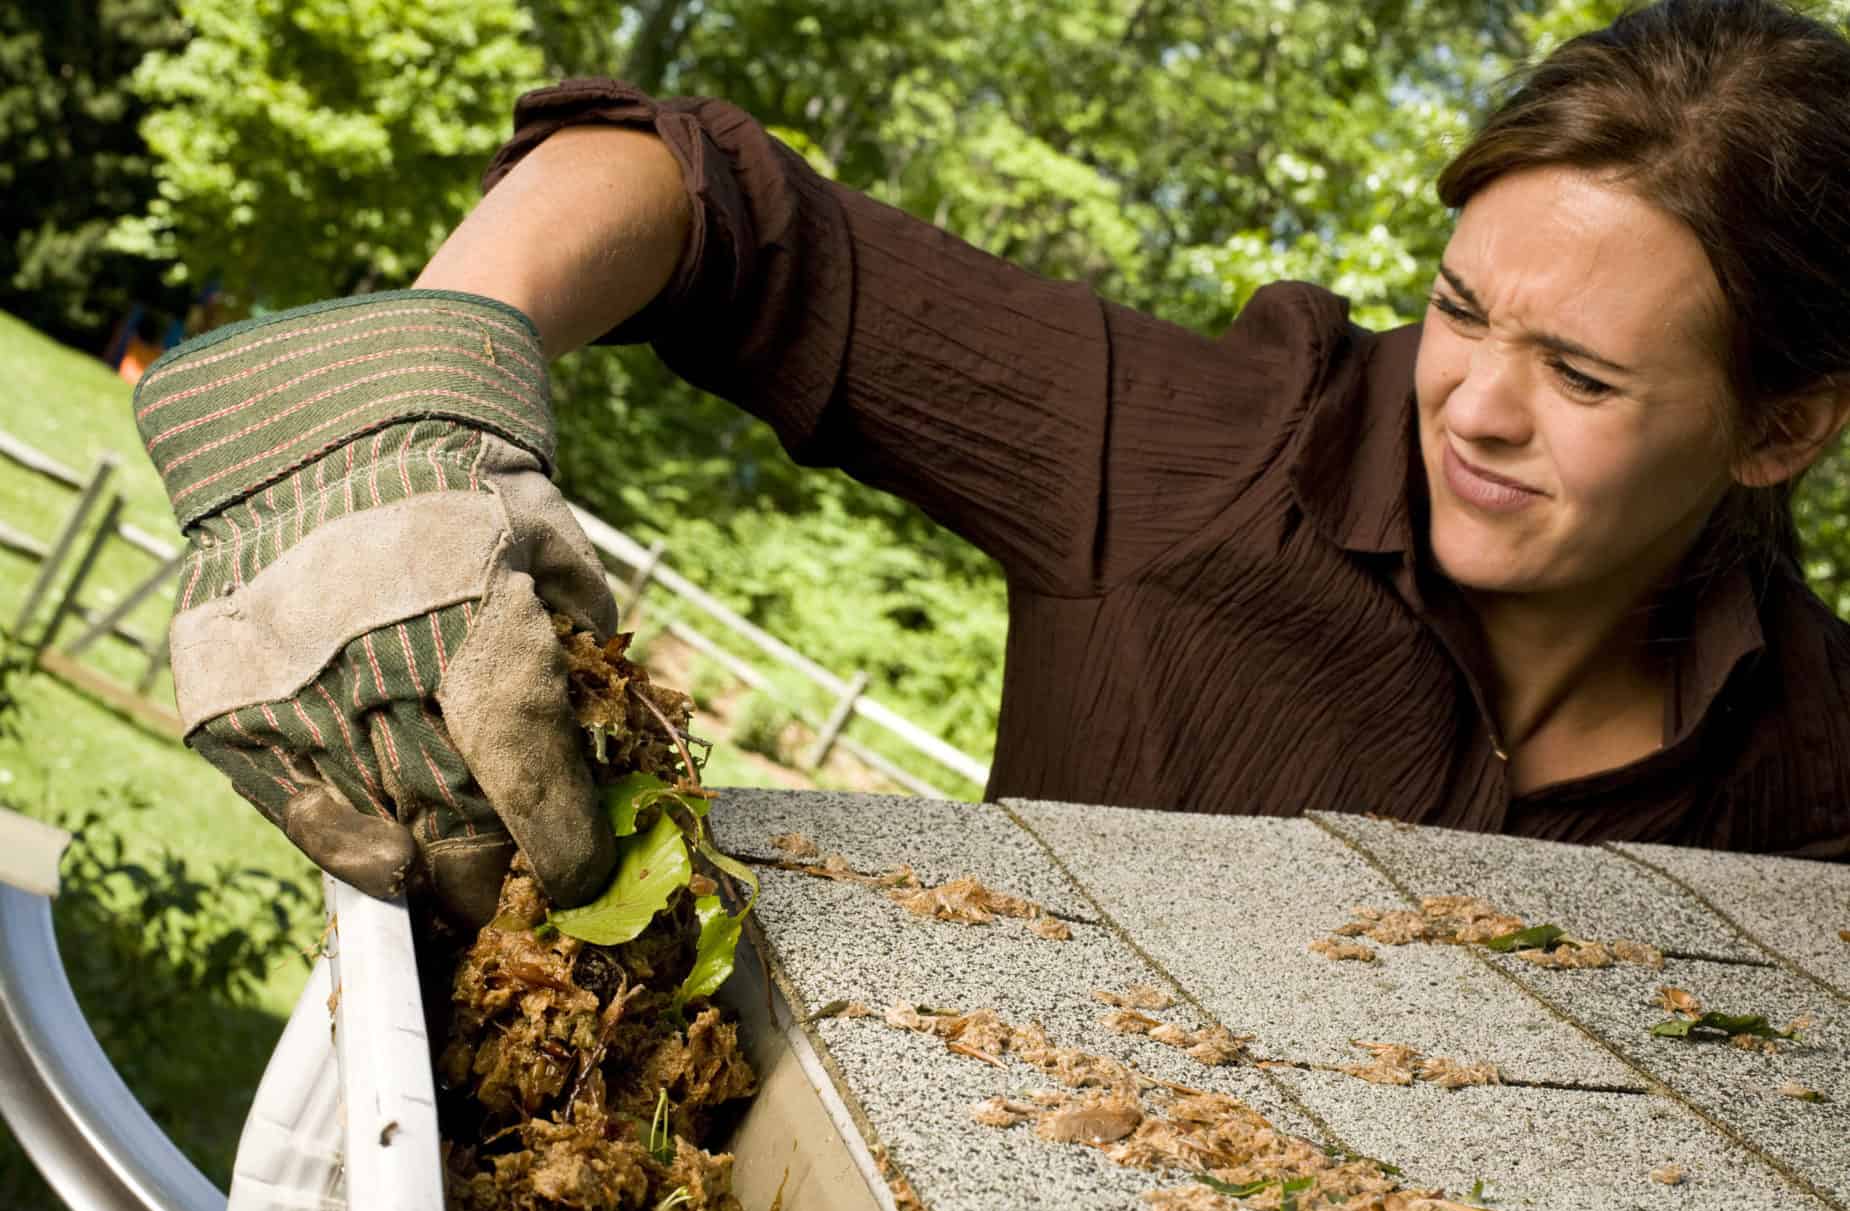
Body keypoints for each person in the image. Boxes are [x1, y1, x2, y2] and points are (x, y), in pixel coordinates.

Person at [131, 0, 1850, 925]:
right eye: (1461, 310)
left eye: (1578, 372)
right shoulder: (1212, 445)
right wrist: (405, 404)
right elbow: (708, 204)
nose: (1470, 404)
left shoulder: (1818, 772)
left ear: (1782, 424)